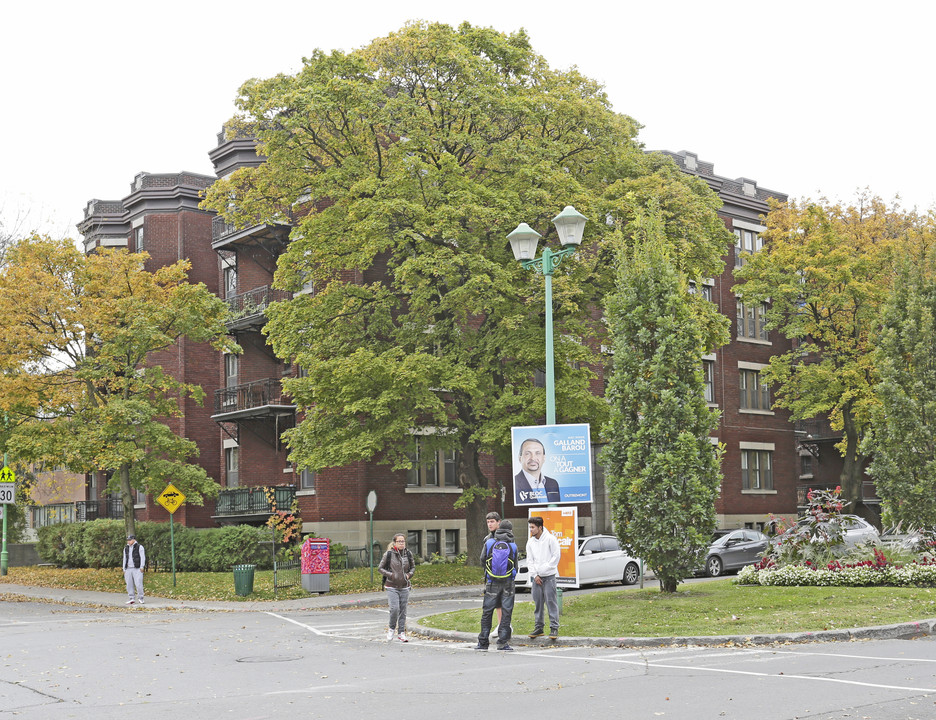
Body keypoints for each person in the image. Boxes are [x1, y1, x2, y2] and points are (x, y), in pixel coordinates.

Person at [475, 519, 519, 652]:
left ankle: (483, 642)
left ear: (499, 528)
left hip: (491, 582)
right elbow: (515, 565)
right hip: (508, 583)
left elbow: (482, 560)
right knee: (506, 612)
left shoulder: (489, 543)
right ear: (510, 531)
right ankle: (502, 643)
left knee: (487, 612)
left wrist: (489, 574)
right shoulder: (513, 546)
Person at [526, 516, 561, 639]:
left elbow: (556, 556)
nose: (531, 529)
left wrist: (544, 569)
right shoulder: (530, 542)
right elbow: (529, 560)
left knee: (551, 602)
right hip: (536, 578)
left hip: (549, 576)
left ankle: (554, 627)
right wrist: (535, 575)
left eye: (533, 527)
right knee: (538, 603)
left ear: (540, 527)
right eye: (530, 527)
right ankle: (539, 627)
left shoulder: (551, 539)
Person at [378, 533, 415, 642]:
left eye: (403, 541)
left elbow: (413, 567)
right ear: (395, 543)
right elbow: (380, 568)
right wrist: (391, 575)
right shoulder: (389, 554)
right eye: (399, 541)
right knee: (394, 609)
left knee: (403, 611)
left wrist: (409, 575)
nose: (401, 543)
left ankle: (401, 633)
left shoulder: (408, 554)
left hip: (404, 586)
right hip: (391, 586)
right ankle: (391, 629)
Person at [514, 438, 561, 505]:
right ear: (520, 458)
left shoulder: (553, 483)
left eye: (538, 453)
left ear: (544, 458)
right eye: (527, 453)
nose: (533, 458)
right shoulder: (515, 483)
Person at [484, 511, 504, 629]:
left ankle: (503, 625)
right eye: (488, 522)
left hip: (502, 574)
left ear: (498, 522)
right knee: (496, 603)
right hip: (491, 575)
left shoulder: (503, 537)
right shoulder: (488, 538)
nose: (490, 524)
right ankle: (500, 624)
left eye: (492, 522)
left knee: (501, 601)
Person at [122, 534, 146, 605]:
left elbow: (142, 557)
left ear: (134, 540)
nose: (128, 542)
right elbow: (125, 558)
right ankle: (131, 598)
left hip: (137, 568)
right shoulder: (126, 548)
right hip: (128, 568)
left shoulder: (139, 547)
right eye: (128, 540)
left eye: (130, 540)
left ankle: (140, 598)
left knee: (138, 584)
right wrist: (124, 568)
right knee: (129, 584)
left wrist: (142, 566)